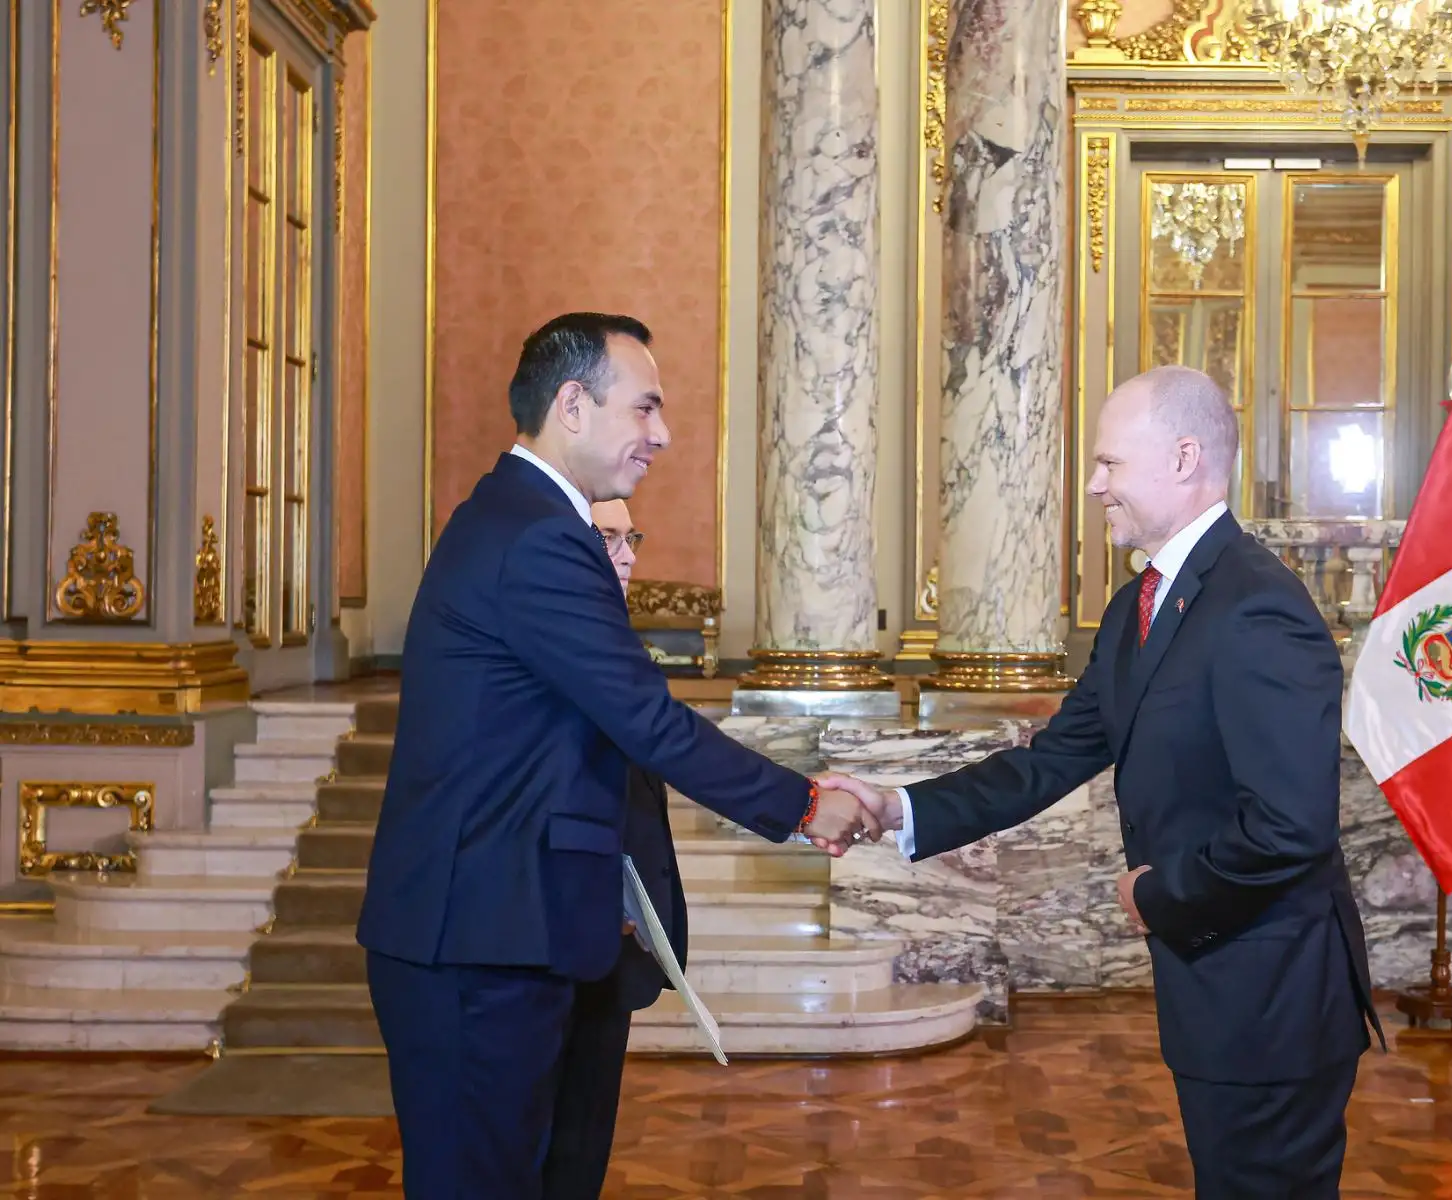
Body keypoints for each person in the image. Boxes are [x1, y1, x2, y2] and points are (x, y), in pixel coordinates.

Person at [820, 365, 1383, 1198]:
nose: (1093, 486)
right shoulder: (1138, 606)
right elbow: (1051, 759)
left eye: (1110, 464)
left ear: (1185, 457)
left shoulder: (1257, 606)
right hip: (1220, 989)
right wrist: (898, 807)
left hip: (1272, 1002)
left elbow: (1289, 828)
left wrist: (1153, 894)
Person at [356, 312, 878, 1199]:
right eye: (645, 409)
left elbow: (584, 740)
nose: (661, 435)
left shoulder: (518, 520)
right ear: (572, 405)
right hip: (480, 940)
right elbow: (649, 722)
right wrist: (803, 804)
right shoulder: (537, 537)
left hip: (524, 929)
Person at [536, 497, 675, 1198]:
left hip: (613, 938)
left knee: (583, 1147)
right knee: (537, 1148)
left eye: (631, 538)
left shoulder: (616, 640)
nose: (627, 555)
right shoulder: (547, 644)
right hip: (552, 934)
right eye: (608, 538)